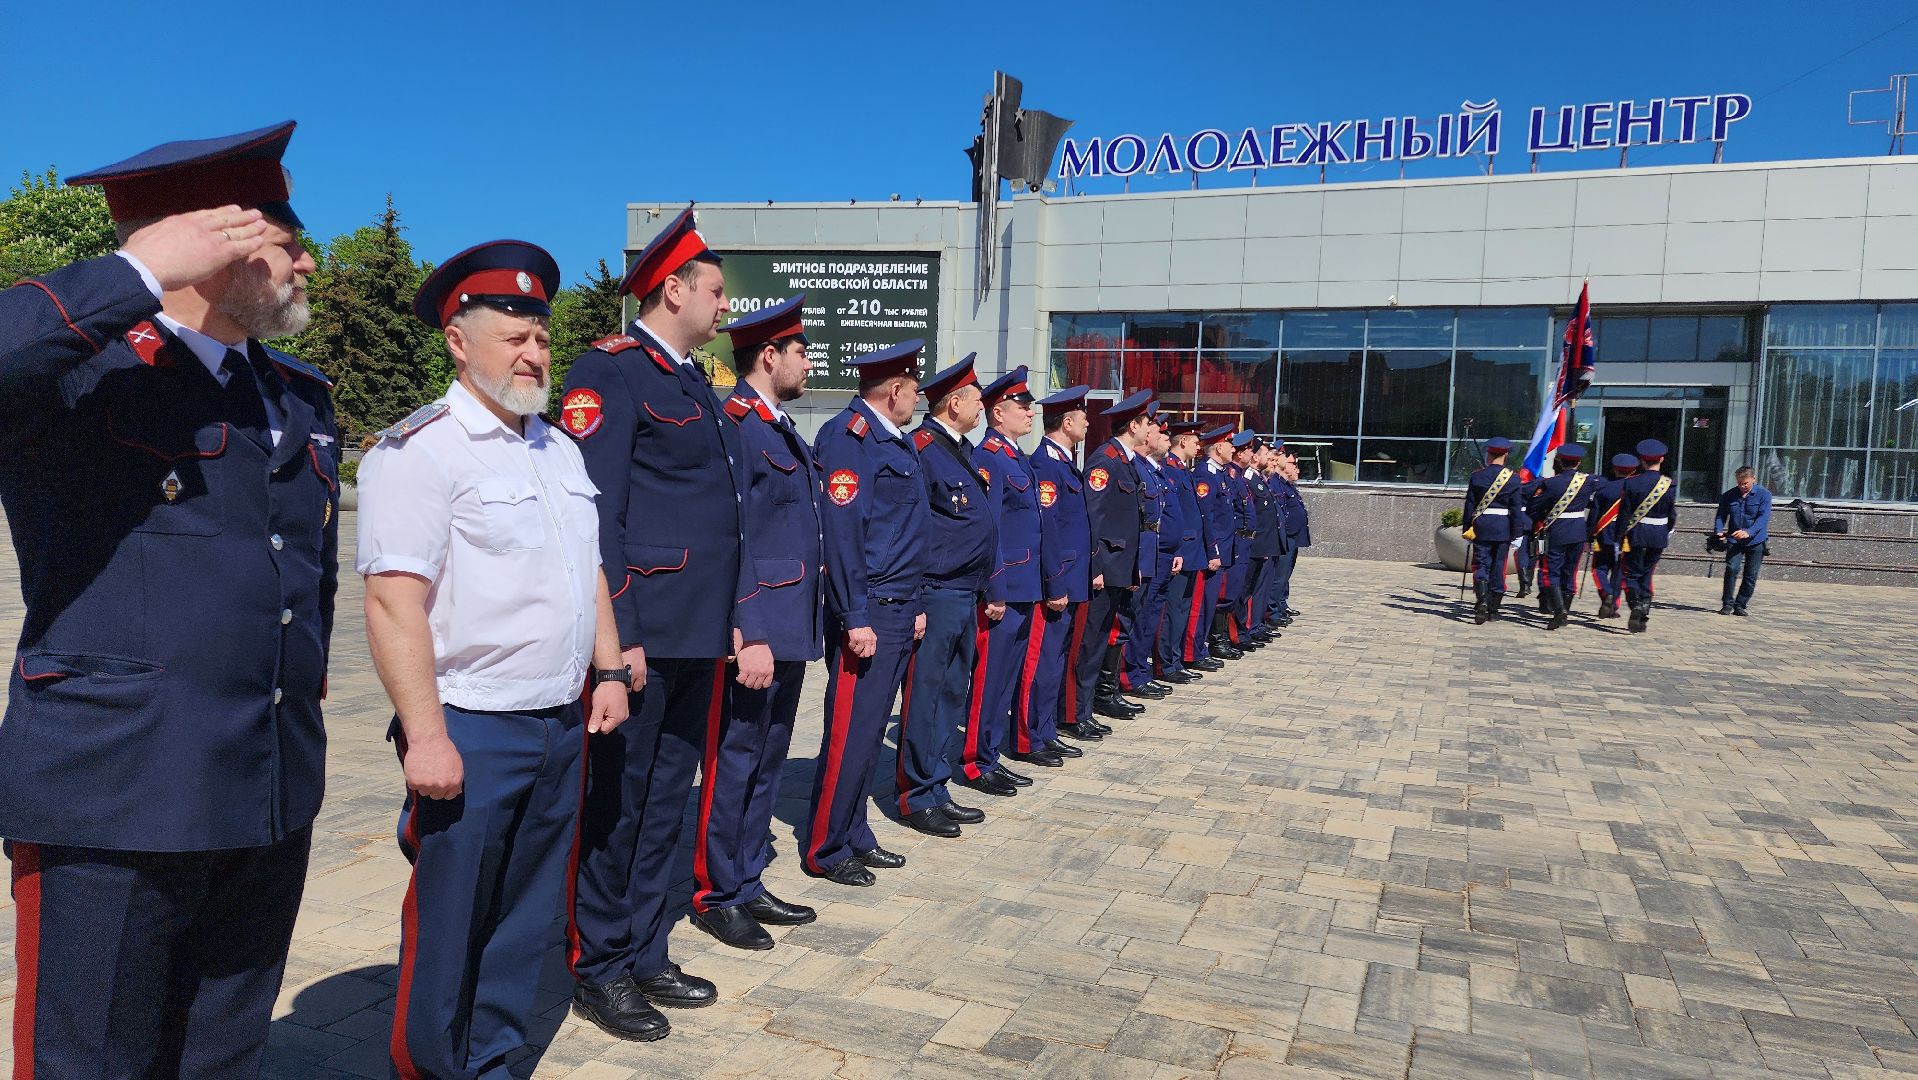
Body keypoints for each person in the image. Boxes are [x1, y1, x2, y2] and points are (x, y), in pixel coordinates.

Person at [0, 123, 338, 1080]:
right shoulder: (78, 369)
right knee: (91, 1059)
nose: (306, 260)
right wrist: (129, 270)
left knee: (222, 1051)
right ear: (207, 242)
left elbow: (307, 581)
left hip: (265, 785)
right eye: (282, 237)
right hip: (117, 793)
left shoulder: (298, 396)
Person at [361, 240, 630, 1074]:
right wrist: (426, 733)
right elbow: (391, 602)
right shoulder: (419, 451)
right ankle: (431, 1067)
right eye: (512, 334)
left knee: (524, 922)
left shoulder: (560, 451)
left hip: (557, 718)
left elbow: (585, 570)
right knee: (449, 924)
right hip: (470, 724)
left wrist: (611, 668)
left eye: (541, 336)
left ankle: (496, 1064)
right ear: (456, 341)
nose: (533, 351)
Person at [565, 210, 761, 1040]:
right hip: (644, 632)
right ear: (673, 287)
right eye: (715, 290)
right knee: (620, 803)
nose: (725, 305)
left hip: (698, 633)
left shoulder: (696, 385)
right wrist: (623, 636)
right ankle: (597, 964)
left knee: (665, 803)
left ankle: (646, 947)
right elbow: (596, 514)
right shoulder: (612, 372)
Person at [690, 295, 825, 951]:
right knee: (734, 760)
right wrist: (748, 630)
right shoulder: (737, 425)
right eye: (802, 351)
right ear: (769, 356)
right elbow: (731, 536)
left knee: (766, 761)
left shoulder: (778, 427)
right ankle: (716, 892)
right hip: (758, 628)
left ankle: (745, 879)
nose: (809, 361)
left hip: (790, 621)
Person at [804, 341, 928, 887]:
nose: (919, 397)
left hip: (899, 602)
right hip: (871, 607)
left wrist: (917, 603)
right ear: (895, 389)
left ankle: (854, 831)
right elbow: (844, 534)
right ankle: (826, 846)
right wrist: (854, 614)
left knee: (871, 726)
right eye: (915, 389)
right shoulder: (849, 437)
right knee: (850, 731)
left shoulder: (891, 440)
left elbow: (907, 533)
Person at [897, 355, 996, 835]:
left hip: (964, 590)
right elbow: (915, 530)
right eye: (977, 400)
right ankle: (917, 795)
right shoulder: (922, 449)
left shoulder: (960, 450)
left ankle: (936, 783)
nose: (983, 408)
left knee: (953, 691)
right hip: (935, 592)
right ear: (954, 402)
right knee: (927, 695)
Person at [958, 366, 1048, 794]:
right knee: (989, 679)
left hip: (1025, 585)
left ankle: (991, 753)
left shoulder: (1016, 458)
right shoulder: (990, 457)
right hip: (1004, 588)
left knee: (1007, 678)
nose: (1031, 415)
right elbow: (988, 527)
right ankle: (975, 760)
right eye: (1022, 408)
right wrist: (992, 587)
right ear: (998, 413)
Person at [1022, 386, 1099, 751]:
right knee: (1045, 661)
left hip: (1073, 576)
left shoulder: (1065, 462)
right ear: (1067, 423)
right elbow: (1048, 529)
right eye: (1083, 418)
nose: (1087, 423)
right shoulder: (1045, 465)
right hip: (1059, 579)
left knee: (1058, 659)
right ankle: (1035, 734)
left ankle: (1047, 729)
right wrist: (1055, 583)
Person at [1074, 390, 1155, 728]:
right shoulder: (1104, 460)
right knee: (1090, 643)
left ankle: (1087, 706)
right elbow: (1093, 519)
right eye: (1147, 422)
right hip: (1104, 569)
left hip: (1118, 567)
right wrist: (1095, 566)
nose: (1150, 428)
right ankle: (1078, 711)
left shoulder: (1124, 460)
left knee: (1102, 639)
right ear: (1133, 425)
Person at [1117, 406, 1174, 699]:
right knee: (1133, 619)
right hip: (1142, 553)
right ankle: (1129, 675)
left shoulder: (1149, 468)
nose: (1158, 434)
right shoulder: (1134, 465)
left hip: (1155, 551)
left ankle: (1138, 671)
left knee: (1147, 616)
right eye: (1153, 427)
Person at [1155, 422, 1210, 683]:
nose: (1199, 445)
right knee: (1173, 609)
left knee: (1182, 609)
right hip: (1180, 551)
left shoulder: (1183, 471)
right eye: (1195, 440)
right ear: (1183, 441)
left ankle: (1175, 660)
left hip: (1191, 550)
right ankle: (1166, 663)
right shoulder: (1170, 470)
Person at [1524, 445, 1596, 631]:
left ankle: (1559, 610)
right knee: (1570, 572)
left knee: (1550, 572)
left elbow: (1534, 507)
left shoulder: (1551, 483)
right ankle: (1565, 609)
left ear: (1559, 462)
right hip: (1578, 531)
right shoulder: (1589, 481)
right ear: (1578, 462)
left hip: (1556, 531)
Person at [1619, 438, 1678, 634]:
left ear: (1641, 461)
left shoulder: (1632, 483)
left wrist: (1619, 536)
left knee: (1633, 574)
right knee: (1647, 573)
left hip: (1636, 534)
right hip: (1658, 535)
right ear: (1661, 459)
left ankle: (1636, 605)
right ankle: (1643, 610)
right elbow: (1672, 514)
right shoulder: (1669, 484)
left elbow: (1624, 514)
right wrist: (1667, 530)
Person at [1463, 437, 1523, 624]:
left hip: (1482, 525)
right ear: (1506, 454)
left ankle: (1481, 601)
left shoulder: (1477, 476)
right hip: (1503, 527)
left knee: (1480, 564)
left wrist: (1467, 528)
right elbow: (1516, 508)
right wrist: (1517, 532)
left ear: (1488, 454)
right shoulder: (1513, 478)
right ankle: (1494, 609)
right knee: (1499, 567)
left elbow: (1470, 505)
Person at [1193, 425, 1241, 659]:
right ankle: (1197, 649)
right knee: (1204, 603)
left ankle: (1202, 648)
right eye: (1230, 444)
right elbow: (1207, 516)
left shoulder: (1221, 474)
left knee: (1214, 601)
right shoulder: (1205, 474)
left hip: (1225, 547)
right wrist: (1213, 550)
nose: (1234, 449)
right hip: (1215, 548)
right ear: (1219, 446)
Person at [1586, 453, 1638, 619]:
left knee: (1599, 569)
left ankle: (1607, 595)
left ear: (1615, 470)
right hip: (1627, 537)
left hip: (1604, 535)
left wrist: (1589, 535)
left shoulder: (1603, 489)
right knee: (1619, 572)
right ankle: (1612, 606)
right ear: (1634, 470)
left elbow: (1594, 515)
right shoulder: (1637, 489)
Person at [1715, 466, 1772, 617]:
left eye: (1745, 483)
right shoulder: (1729, 495)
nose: (1742, 486)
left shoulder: (1764, 495)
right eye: (1739, 483)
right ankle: (1727, 604)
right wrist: (1719, 531)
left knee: (1750, 575)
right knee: (1731, 569)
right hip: (1734, 540)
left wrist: (1748, 532)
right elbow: (1721, 515)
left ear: (1753, 479)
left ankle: (1740, 604)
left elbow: (1763, 518)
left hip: (1756, 541)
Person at [1270, 448, 1310, 627]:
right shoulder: (1275, 482)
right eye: (1293, 463)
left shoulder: (1286, 484)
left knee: (1285, 575)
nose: (1297, 468)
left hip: (1293, 536)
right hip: (1285, 536)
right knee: (1279, 576)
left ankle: (1280, 604)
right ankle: (1273, 611)